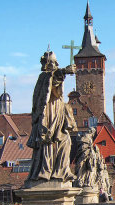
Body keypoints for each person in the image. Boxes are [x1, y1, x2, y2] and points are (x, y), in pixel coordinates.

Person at [26, 50, 77, 183]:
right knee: (49, 142)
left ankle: (61, 171)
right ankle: (46, 171)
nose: (55, 65)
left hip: (57, 110)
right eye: (53, 63)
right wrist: (64, 71)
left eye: (55, 63)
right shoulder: (44, 77)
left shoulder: (50, 76)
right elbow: (53, 82)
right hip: (49, 113)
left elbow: (56, 85)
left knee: (65, 140)